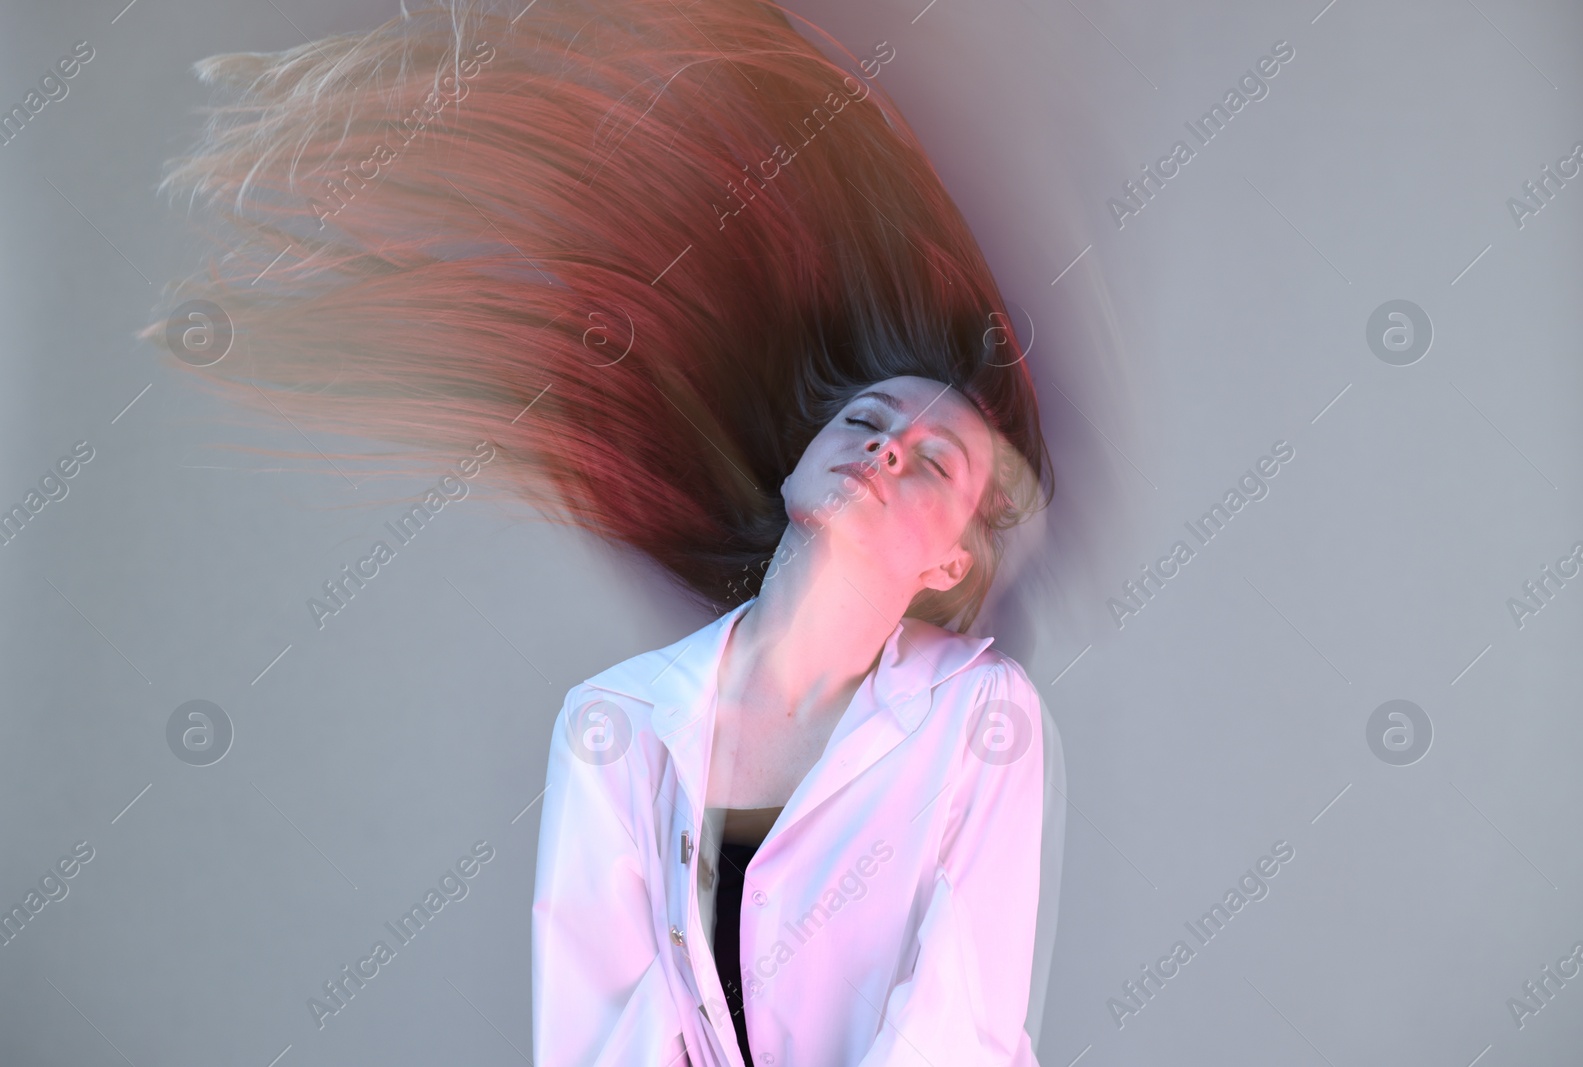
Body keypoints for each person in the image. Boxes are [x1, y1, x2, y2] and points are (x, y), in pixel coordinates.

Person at [139, 0, 1067, 1063]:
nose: (886, 448)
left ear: (952, 558)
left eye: (933, 460)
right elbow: (596, 1027)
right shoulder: (615, 721)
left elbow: (959, 1016)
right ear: (798, 461)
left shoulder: (978, 714)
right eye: (863, 420)